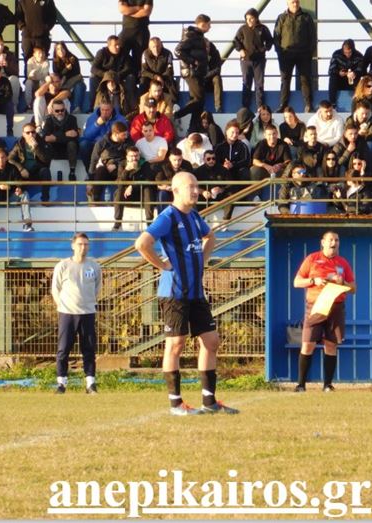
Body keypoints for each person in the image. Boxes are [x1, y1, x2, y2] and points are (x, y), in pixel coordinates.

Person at [135, 171, 239, 415]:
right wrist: (162, 265)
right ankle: (176, 404)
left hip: (195, 293)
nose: (195, 191)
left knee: (211, 341)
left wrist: (203, 259)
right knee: (176, 344)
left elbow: (210, 237)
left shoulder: (194, 216)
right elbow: (142, 243)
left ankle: (209, 402)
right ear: (175, 190)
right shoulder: (168, 217)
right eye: (190, 186)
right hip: (174, 292)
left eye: (197, 186)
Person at [292, 231, 356, 392]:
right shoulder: (312, 259)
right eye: (331, 240)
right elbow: (297, 282)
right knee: (308, 344)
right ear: (323, 242)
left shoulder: (343, 263)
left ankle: (327, 385)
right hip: (316, 307)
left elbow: (353, 288)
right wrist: (314, 280)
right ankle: (301, 385)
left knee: (331, 345)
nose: (334, 243)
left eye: (337, 240)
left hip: (336, 307)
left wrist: (343, 283)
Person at [51, 232, 102, 394]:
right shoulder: (63, 266)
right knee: (63, 349)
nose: (83, 247)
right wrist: (62, 305)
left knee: (89, 349)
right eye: (80, 244)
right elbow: (55, 289)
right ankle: (61, 383)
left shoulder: (94, 267)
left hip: (88, 313)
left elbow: (97, 287)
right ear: (73, 246)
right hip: (67, 313)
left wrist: (89, 302)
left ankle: (90, 383)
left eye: (86, 244)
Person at [273, 0, 316, 112]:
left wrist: (309, 53)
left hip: (303, 54)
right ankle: (283, 105)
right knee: (285, 79)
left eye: (297, 2)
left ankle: (309, 104)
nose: (295, 4)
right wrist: (279, 52)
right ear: (287, 3)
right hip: (286, 54)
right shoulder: (282, 18)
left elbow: (312, 36)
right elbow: (276, 36)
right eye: (293, 2)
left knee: (305, 79)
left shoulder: (306, 17)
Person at [174, 15, 212, 133]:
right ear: (203, 24)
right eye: (209, 24)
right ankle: (176, 115)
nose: (210, 27)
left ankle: (193, 128)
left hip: (198, 72)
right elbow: (178, 51)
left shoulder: (198, 36)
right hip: (192, 72)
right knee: (198, 100)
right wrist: (193, 62)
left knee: (199, 103)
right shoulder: (191, 35)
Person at [0, 147, 33, 232]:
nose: (1, 160)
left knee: (24, 194)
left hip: (10, 198)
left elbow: (20, 181)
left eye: (3, 157)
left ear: (6, 158)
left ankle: (27, 225)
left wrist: (19, 188)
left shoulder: (12, 168)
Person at [234, 8, 274, 110]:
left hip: (259, 60)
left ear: (256, 18)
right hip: (246, 60)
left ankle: (260, 106)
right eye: (247, 19)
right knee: (246, 83)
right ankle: (245, 107)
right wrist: (240, 50)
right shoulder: (242, 29)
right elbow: (236, 41)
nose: (249, 21)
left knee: (259, 84)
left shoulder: (263, 28)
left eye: (251, 18)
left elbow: (270, 41)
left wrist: (264, 49)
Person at [8, 123, 53, 204]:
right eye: (28, 133)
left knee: (46, 171)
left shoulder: (42, 142)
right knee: (15, 173)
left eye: (33, 132)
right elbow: (10, 159)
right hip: (24, 173)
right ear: (23, 134)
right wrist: (21, 169)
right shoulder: (19, 144)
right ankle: (18, 199)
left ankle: (45, 199)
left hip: (37, 171)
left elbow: (46, 160)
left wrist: (36, 148)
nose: (31, 134)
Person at [41, 99, 80, 181]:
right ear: (52, 111)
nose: (60, 112)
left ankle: (72, 172)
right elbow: (46, 138)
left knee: (72, 143)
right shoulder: (48, 120)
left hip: (68, 149)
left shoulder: (72, 119)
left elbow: (74, 136)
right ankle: (46, 172)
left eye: (62, 110)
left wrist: (55, 137)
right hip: (54, 149)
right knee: (46, 146)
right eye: (57, 111)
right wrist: (65, 134)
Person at [118, 0, 154, 78]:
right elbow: (123, 10)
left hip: (142, 31)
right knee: (120, 55)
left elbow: (146, 11)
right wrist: (138, 8)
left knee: (140, 59)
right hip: (126, 30)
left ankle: (138, 80)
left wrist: (130, 12)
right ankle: (122, 77)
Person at [328, 39, 364, 109]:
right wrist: (339, 72)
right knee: (332, 78)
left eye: (349, 52)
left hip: (353, 80)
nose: (347, 54)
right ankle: (332, 102)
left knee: (359, 79)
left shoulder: (359, 56)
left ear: (353, 50)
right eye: (345, 52)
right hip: (339, 80)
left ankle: (358, 101)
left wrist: (355, 73)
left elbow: (362, 70)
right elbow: (331, 70)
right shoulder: (336, 54)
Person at [140, 37, 178, 101]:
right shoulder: (145, 54)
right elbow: (144, 71)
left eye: (158, 46)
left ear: (161, 45)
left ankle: (174, 103)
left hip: (164, 77)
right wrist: (155, 77)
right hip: (150, 77)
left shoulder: (168, 53)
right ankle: (141, 103)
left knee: (171, 83)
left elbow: (170, 70)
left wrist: (161, 78)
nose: (156, 49)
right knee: (143, 82)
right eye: (153, 47)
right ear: (150, 47)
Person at [52, 41, 86, 113]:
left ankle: (77, 108)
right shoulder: (55, 61)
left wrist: (65, 74)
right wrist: (66, 69)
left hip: (73, 83)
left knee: (80, 85)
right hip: (62, 83)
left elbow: (77, 74)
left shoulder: (73, 59)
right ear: (55, 51)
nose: (60, 51)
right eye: (58, 49)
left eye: (62, 48)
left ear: (65, 49)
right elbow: (57, 75)